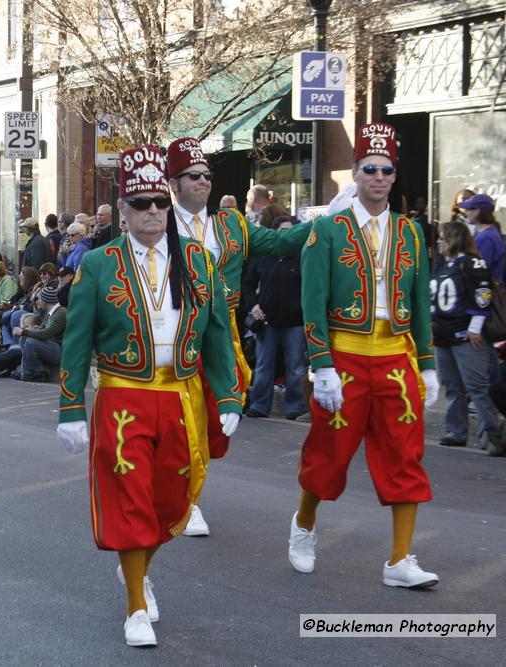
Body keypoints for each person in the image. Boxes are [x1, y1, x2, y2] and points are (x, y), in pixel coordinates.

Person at [56, 145, 241, 648]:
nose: (154, 211)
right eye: (141, 204)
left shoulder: (198, 260)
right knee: (131, 502)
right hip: (123, 398)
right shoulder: (99, 263)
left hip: (181, 399)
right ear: (123, 213)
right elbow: (77, 339)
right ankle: (136, 603)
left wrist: (227, 397)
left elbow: (219, 336)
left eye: (160, 201)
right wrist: (71, 408)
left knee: (169, 503)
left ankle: (136, 569)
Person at [287, 122, 440, 589]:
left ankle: (400, 559)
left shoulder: (411, 233)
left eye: (385, 169)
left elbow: (419, 305)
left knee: (404, 457)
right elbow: (312, 301)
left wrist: (429, 365)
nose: (378, 176)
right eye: (369, 168)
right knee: (328, 456)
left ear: (395, 176)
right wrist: (321, 364)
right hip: (345, 359)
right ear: (354, 173)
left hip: (396, 360)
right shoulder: (328, 230)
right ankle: (304, 525)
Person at [165, 137, 310, 537]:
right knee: (186, 418)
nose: (203, 182)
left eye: (207, 175)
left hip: (223, 333)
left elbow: (279, 242)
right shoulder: (157, 222)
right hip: (175, 333)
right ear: (172, 183)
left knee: (215, 420)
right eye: (194, 176)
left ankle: (183, 483)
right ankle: (187, 501)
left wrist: (332, 221)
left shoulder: (230, 223)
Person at [431, 222, 505, 455]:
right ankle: (456, 432)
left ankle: (495, 434)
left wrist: (474, 328)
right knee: (452, 386)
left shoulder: (473, 263)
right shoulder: (441, 264)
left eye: (443, 237)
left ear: (454, 238)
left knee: (476, 387)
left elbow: (482, 295)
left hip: (465, 336)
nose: (438, 242)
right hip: (442, 335)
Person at [241, 214, 307, 419]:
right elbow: (247, 284)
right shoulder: (263, 255)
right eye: (281, 232)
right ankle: (259, 405)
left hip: (295, 321)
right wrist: (253, 306)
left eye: (290, 232)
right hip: (266, 321)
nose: (285, 236)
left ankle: (295, 406)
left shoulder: (302, 256)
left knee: (296, 367)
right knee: (263, 365)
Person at [14, 284, 65, 381]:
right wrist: (33, 329)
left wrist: (24, 331)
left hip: (59, 349)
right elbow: (42, 328)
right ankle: (39, 370)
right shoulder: (50, 313)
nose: (37, 301)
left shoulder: (61, 313)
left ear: (44, 301)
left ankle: (27, 373)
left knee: (30, 342)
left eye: (38, 299)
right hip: (51, 345)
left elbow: (46, 334)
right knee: (23, 340)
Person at [459, 193, 505, 284]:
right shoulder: (485, 232)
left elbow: (480, 270)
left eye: (468, 209)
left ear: (477, 211)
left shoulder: (487, 237)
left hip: (485, 292)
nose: (465, 212)